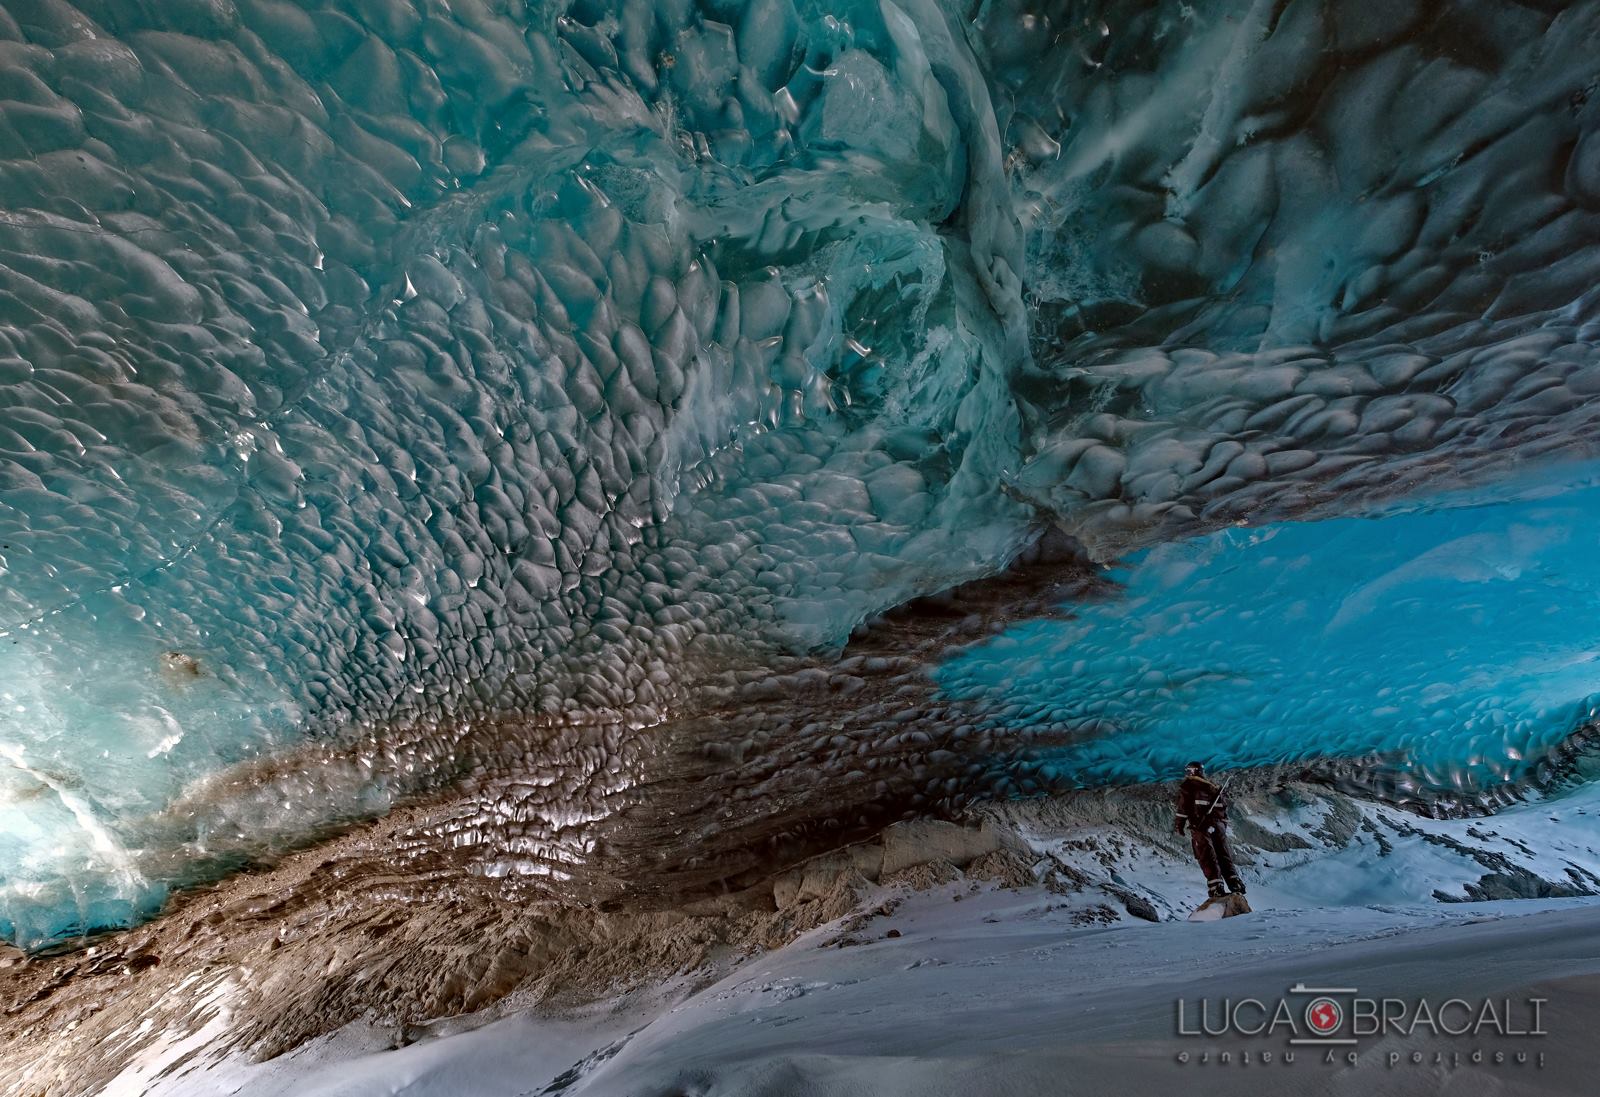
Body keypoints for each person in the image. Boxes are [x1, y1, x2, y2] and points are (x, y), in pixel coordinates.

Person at [1173, 761, 1245, 900]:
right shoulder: (1214, 788)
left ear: (1191, 772)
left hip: (1201, 826)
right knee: (1223, 853)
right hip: (1219, 826)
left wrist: (1179, 825)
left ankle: (1216, 887)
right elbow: (1223, 809)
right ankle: (1235, 882)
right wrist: (1222, 826)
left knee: (1207, 854)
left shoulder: (1188, 786)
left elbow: (1183, 808)